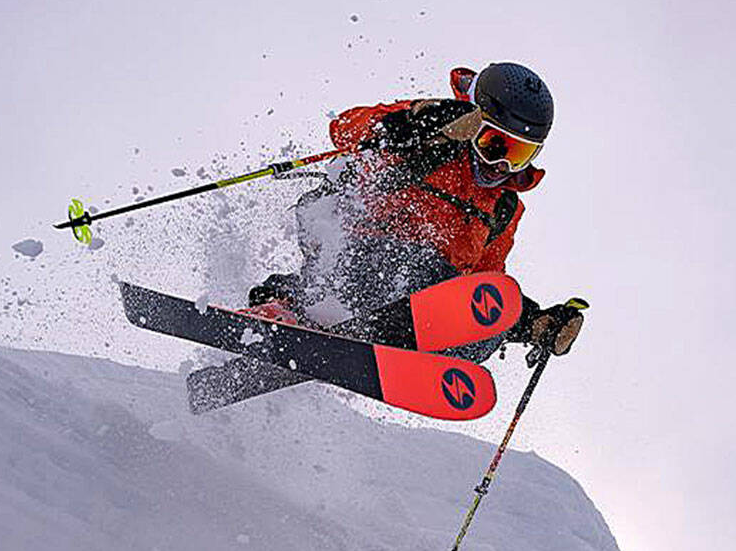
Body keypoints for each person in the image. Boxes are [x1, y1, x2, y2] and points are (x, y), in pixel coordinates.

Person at [248, 62, 582, 357]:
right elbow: (345, 129)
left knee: (480, 327)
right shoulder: (435, 136)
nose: (501, 164)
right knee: (418, 270)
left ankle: (368, 341)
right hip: (354, 246)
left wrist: (529, 321)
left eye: (519, 154)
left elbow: (483, 287)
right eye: (493, 143)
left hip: (415, 304)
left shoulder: (505, 208)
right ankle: (288, 307)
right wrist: (413, 122)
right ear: (474, 124)